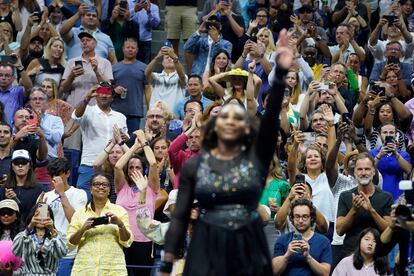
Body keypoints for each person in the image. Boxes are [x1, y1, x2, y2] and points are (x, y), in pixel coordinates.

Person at [161, 29, 292, 276]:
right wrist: (167, 263)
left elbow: (272, 115)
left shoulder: (256, 160)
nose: (231, 120)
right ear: (215, 126)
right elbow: (179, 216)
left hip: (248, 245)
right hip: (207, 244)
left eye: (237, 117)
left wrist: (281, 72)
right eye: (225, 116)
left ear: (245, 128)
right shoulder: (195, 166)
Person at [66, 173, 133, 275]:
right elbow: (70, 244)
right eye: (97, 184)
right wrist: (83, 229)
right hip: (85, 270)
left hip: (113, 270)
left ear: (109, 190)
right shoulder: (79, 213)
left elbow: (127, 242)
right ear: (91, 189)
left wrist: (120, 224)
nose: (101, 187)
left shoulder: (120, 211)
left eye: (105, 184)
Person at [114, 129, 159, 276]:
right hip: (122, 238)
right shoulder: (122, 187)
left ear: (143, 169)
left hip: (143, 240)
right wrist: (134, 146)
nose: (134, 170)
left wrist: (144, 142)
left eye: (138, 167)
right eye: (131, 168)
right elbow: (118, 166)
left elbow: (153, 163)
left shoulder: (151, 187)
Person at [72, 85, 128, 199]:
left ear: (112, 96)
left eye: (107, 92)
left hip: (113, 168)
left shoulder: (121, 117)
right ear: (96, 95)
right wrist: (87, 98)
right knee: (84, 200)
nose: (103, 95)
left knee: (113, 202)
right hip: (90, 164)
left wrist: (124, 138)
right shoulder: (87, 111)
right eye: (100, 92)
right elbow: (76, 117)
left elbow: (125, 138)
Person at [336, 152, 393, 260]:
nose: (363, 173)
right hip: (350, 254)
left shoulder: (386, 197)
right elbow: (339, 230)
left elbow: (388, 230)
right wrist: (354, 210)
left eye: (367, 169)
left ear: (373, 172)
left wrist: (372, 210)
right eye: (360, 169)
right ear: (355, 173)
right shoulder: (345, 196)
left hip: (377, 255)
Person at [43, 158, 88, 276]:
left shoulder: (79, 194)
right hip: (49, 252)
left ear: (67, 173)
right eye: (52, 175)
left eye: (58, 174)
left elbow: (75, 221)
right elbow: (41, 223)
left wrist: (61, 194)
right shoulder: (46, 196)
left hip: (69, 252)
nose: (54, 178)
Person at [272, 199, 332, 275]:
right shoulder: (282, 240)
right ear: (292, 218)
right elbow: (274, 271)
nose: (300, 220)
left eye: (305, 216)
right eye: (297, 216)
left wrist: (308, 257)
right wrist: (287, 255)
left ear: (311, 218)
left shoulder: (323, 241)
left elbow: (325, 273)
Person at [60, 31, 113, 108]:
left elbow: (108, 89)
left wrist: (97, 72)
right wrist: (71, 76)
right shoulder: (71, 62)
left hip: (96, 108)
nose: (84, 42)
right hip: (74, 107)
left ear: (95, 44)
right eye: (82, 40)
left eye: (88, 40)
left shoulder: (105, 62)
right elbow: (63, 89)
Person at [12, 203, 67, 275]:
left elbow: (62, 253)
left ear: (50, 218)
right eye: (38, 215)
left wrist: (52, 230)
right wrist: (30, 226)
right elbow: (15, 251)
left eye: (45, 215)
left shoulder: (57, 236)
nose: (41, 218)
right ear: (32, 216)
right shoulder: (25, 235)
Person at [111, 38, 151, 136]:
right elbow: (107, 88)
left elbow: (147, 88)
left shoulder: (144, 67)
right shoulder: (114, 68)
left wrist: (150, 108)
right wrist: (114, 90)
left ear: (137, 50)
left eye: (133, 48)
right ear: (123, 49)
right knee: (115, 139)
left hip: (135, 111)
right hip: (116, 110)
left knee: (132, 140)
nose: (130, 50)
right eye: (128, 47)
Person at [0, 150, 44, 221]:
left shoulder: (39, 188)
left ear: (29, 165)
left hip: (32, 228)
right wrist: (7, 201)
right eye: (17, 163)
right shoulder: (4, 188)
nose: (20, 166)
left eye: (24, 163)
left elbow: (43, 213)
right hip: (10, 229)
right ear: (12, 166)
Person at [145, 46, 187, 112]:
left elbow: (182, 76)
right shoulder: (156, 76)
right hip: (156, 115)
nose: (170, 59)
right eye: (167, 58)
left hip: (174, 116)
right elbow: (147, 73)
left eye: (171, 57)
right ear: (162, 63)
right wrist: (157, 58)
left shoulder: (182, 76)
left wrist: (175, 58)